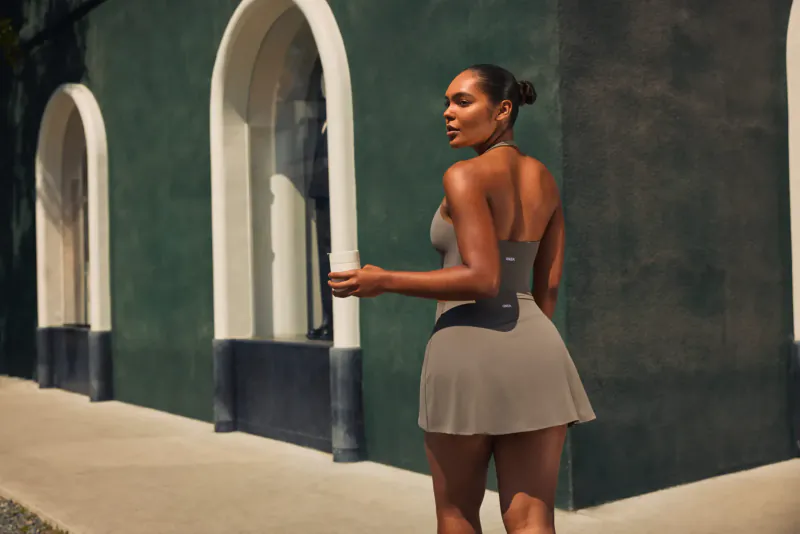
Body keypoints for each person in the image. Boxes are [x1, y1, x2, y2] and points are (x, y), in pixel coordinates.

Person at [329, 64, 595, 534]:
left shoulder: (464, 175)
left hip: (466, 352)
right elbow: (548, 286)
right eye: (447, 103)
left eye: (462, 102)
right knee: (533, 518)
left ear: (503, 110)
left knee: (457, 514)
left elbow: (481, 278)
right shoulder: (545, 179)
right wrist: (526, 345)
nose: (448, 113)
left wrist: (383, 280)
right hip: (538, 352)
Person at [306, 59, 333, 341]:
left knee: (334, 262)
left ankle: (335, 321)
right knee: (324, 262)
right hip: (322, 199)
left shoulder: (336, 124)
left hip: (334, 199)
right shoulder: (320, 122)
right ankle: (328, 319)